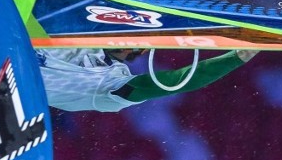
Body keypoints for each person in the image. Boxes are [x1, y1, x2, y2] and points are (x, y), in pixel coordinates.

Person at [36, 45, 256, 112]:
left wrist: (235, 57)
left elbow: (171, 82)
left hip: (14, 89)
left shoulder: (110, 84)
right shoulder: (83, 32)